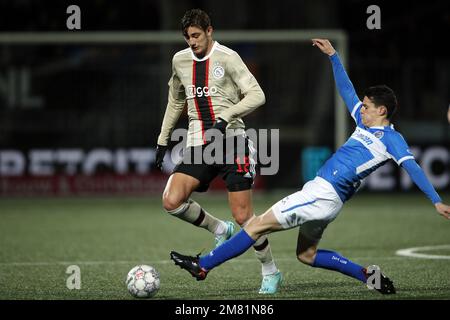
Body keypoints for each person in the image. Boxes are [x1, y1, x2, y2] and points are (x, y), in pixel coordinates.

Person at [170, 38, 450, 295]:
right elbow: (347, 91)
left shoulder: (392, 139)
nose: (360, 108)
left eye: (366, 106)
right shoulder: (364, 122)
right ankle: (367, 276)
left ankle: (203, 265)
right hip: (327, 199)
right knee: (307, 255)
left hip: (322, 195)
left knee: (255, 226)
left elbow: (412, 167)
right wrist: (333, 57)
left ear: (382, 111)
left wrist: (436, 201)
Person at [155, 9, 282, 294]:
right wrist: (163, 139)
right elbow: (176, 101)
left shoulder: (228, 57)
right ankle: (218, 229)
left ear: (210, 31)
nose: (192, 42)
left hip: (233, 141)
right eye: (188, 37)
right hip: (199, 143)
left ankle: (270, 271)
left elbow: (258, 95)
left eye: (197, 35)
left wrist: (225, 117)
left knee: (244, 217)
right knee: (171, 201)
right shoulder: (180, 60)